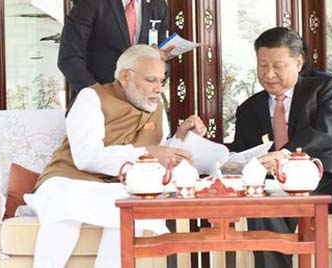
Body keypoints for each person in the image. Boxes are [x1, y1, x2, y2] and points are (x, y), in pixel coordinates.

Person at [25, 45, 206, 268]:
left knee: (129, 209)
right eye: (151, 80)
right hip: (69, 181)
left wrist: (179, 138)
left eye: (162, 81)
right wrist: (147, 154)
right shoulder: (92, 98)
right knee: (65, 205)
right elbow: (87, 157)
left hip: (119, 188)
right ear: (124, 76)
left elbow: (160, 153)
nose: (159, 89)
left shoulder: (156, 107)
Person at [231, 27, 332, 268]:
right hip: (277, 187)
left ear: (299, 62)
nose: (269, 74)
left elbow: (331, 129)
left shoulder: (326, 88)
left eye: (278, 66)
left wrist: (286, 153)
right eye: (262, 66)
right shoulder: (248, 109)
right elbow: (240, 153)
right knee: (258, 204)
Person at [58, 0, 170, 97]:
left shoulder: (158, 6)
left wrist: (161, 64)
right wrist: (97, 95)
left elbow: (161, 57)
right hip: (97, 105)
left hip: (141, 107)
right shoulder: (91, 2)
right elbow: (69, 57)